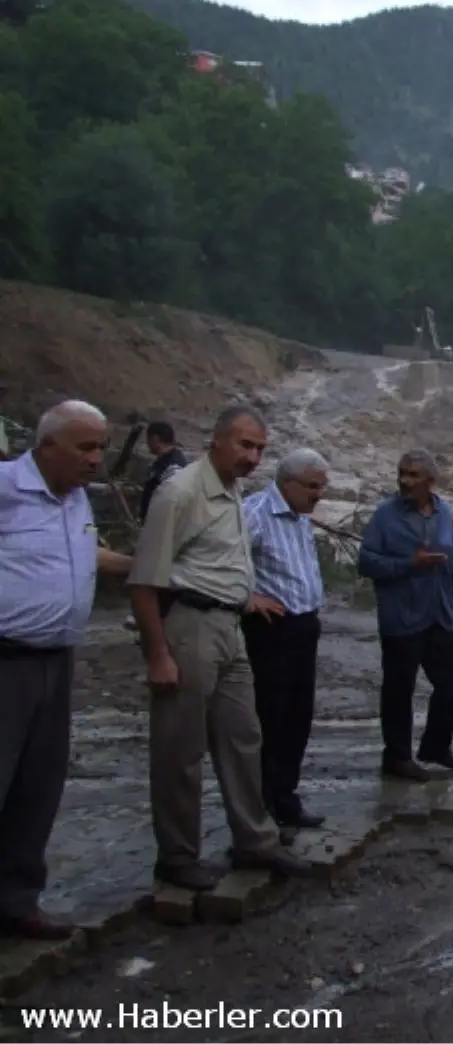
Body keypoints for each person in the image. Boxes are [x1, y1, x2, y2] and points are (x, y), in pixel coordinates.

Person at [128, 405, 312, 891]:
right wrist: (158, 653)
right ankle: (178, 856)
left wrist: (245, 596)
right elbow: (145, 580)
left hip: (230, 627)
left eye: (259, 449)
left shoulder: (232, 490)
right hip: (189, 625)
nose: (252, 457)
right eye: (244, 445)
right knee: (180, 748)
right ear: (217, 440)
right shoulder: (181, 492)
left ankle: (255, 841)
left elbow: (220, 560)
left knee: (243, 736)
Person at [0, 400, 133, 939]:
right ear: (47, 446)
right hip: (6, 660)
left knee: (39, 785)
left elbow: (86, 554)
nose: (97, 459)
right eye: (86, 447)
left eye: (101, 446)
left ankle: (16, 899)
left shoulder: (76, 499)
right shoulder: (6, 488)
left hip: (58, 660)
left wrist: (146, 563)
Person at [358, 447, 453, 781]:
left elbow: (450, 563)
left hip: (439, 613)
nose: (405, 481)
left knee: (450, 682)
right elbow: (366, 562)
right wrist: (410, 564)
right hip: (401, 616)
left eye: (413, 475)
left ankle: (435, 746)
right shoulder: (385, 515)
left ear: (430, 482)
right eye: (402, 473)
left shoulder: (444, 512)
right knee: (398, 689)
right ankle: (397, 757)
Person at [242, 448, 329, 831]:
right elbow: (224, 560)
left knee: (298, 717)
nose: (318, 494)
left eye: (322, 487)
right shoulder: (254, 512)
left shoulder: (299, 518)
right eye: (312, 486)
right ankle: (262, 808)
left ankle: (286, 799)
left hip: (304, 627)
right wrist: (246, 598)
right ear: (287, 483)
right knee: (270, 719)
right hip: (271, 630)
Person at [139, 421, 187, 523]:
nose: (147, 443)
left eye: (148, 439)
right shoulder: (162, 461)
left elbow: (173, 500)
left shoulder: (174, 466)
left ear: (155, 439)